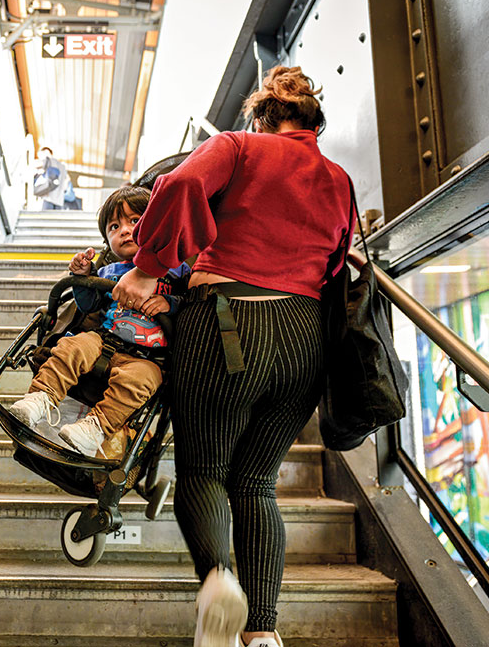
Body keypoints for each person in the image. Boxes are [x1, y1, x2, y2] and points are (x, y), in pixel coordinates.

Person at [111, 66, 355, 647]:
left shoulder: (236, 146)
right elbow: (338, 258)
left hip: (227, 322)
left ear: (260, 115)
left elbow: (178, 187)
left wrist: (147, 268)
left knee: (204, 472)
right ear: (313, 121)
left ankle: (219, 583)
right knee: (257, 483)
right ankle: (263, 634)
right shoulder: (339, 178)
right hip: (303, 337)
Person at [7, 185, 190, 457]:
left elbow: (193, 304)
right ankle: (41, 398)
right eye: (114, 226)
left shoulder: (176, 269)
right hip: (104, 341)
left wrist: (170, 302)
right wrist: (85, 275)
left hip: (148, 358)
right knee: (71, 347)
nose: (125, 230)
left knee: (143, 381)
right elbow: (90, 305)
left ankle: (95, 429)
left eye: (135, 221)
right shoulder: (110, 270)